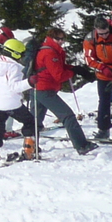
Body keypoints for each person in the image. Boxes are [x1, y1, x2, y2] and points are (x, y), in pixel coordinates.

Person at [29, 25, 97, 155]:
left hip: (37, 88)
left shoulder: (49, 50)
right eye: (58, 39)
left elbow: (58, 67)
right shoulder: (50, 53)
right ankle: (81, 145)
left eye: (62, 39)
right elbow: (59, 75)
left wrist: (74, 68)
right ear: (51, 38)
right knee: (67, 116)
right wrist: (73, 72)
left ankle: (30, 147)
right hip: (45, 89)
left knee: (35, 121)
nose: (61, 41)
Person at [0, 38, 36, 163]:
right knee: (29, 122)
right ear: (15, 54)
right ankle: (29, 148)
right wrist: (30, 82)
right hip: (13, 103)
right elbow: (14, 87)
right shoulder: (14, 67)